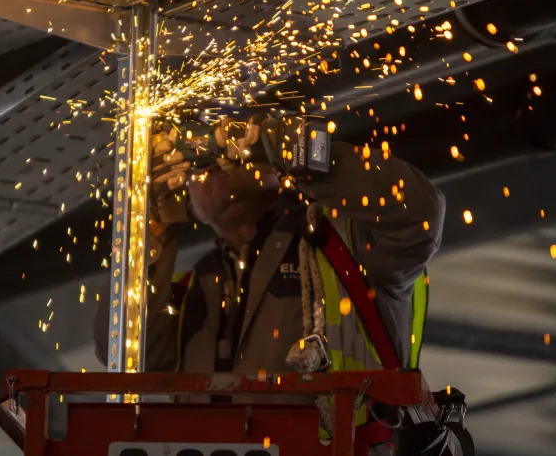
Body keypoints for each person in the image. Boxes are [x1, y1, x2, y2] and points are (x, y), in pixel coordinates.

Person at [94, 114, 448, 452]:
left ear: (272, 172)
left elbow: (420, 215)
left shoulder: (347, 247)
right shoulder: (186, 294)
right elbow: (119, 351)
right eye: (200, 164)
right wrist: (149, 227)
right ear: (192, 206)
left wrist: (303, 153)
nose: (215, 161)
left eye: (229, 146)